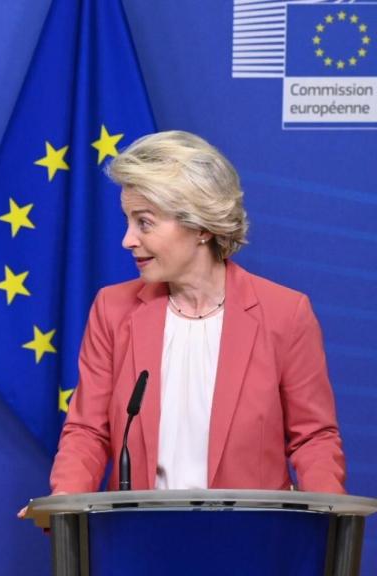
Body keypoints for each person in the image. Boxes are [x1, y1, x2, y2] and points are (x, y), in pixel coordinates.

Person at [48, 130, 345, 495]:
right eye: (127, 221)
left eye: (144, 222)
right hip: (140, 540)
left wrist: (329, 518)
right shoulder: (112, 309)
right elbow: (88, 431)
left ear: (200, 225)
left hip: (251, 541)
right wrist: (63, 502)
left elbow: (313, 438)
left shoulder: (286, 314)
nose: (127, 239)